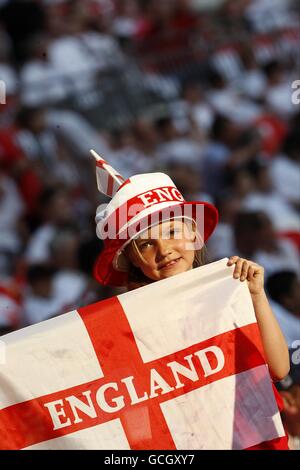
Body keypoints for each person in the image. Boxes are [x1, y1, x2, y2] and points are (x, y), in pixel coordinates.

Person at [92, 160, 290, 449]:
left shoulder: (232, 285)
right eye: (146, 244)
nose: (164, 250)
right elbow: (138, 427)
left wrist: (257, 296)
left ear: (191, 233)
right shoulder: (125, 328)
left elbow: (278, 368)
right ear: (131, 259)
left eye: (172, 232)